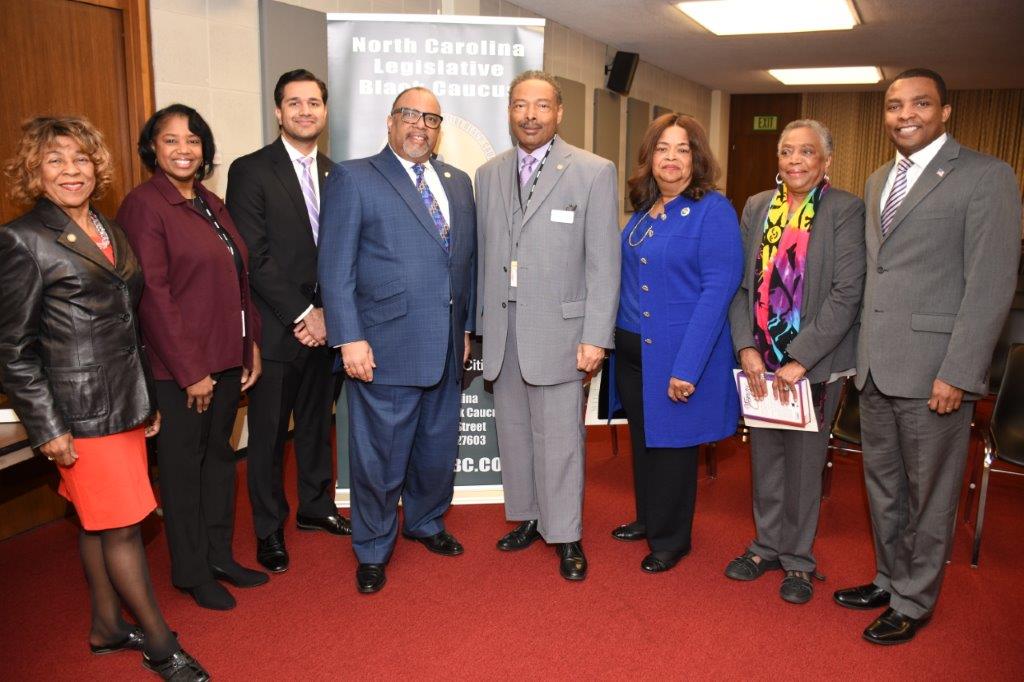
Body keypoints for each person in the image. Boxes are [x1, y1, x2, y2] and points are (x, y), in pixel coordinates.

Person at [0, 116, 208, 680]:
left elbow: (127, 321)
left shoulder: (107, 228)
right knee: (121, 526)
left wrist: (144, 403)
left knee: (97, 520)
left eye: (81, 159)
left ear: (98, 167)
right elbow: (14, 349)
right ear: (34, 173)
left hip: (122, 404)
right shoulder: (23, 239)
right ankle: (162, 645)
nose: (72, 171)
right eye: (55, 161)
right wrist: (48, 428)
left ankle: (108, 627)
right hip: (77, 413)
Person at [834, 69, 1021, 643]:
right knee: (883, 487)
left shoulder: (986, 177)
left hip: (936, 371)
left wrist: (959, 373)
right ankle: (890, 579)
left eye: (919, 103)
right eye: (894, 105)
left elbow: (990, 285)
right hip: (878, 366)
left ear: (945, 112)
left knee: (931, 494)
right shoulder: (875, 180)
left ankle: (915, 601)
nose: (905, 114)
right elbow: (880, 273)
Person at [319, 86, 476, 594]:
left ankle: (426, 521)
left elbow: (464, 264)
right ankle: (371, 548)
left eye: (431, 118)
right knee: (380, 457)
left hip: (448, 344)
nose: (420, 126)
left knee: (435, 448)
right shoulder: (355, 176)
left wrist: (468, 328)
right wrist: (349, 339)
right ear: (390, 122)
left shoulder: (457, 182)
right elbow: (335, 267)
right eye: (410, 114)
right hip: (384, 345)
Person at [118, 104, 265, 611]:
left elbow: (238, 280)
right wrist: (191, 372)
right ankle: (192, 571)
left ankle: (219, 556)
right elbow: (153, 296)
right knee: (183, 469)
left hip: (226, 360)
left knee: (220, 462)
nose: (184, 150)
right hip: (180, 371)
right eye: (171, 140)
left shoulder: (209, 201)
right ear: (152, 149)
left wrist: (250, 347)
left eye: (193, 140)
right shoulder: (145, 206)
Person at [475, 71, 620, 581]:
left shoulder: (593, 171)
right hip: (503, 331)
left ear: (559, 113)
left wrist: (596, 336)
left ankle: (566, 533)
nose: (530, 115)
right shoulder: (488, 173)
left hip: (561, 332)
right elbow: (484, 257)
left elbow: (605, 262)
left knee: (559, 438)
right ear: (510, 112)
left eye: (541, 106)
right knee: (513, 433)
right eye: (520, 105)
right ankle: (530, 518)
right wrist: (478, 326)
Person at [724, 119, 865, 602]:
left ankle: (799, 561)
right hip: (761, 361)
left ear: (825, 160)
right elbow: (738, 285)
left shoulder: (845, 209)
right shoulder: (758, 206)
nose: (795, 161)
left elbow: (847, 294)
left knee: (805, 466)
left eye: (806, 153)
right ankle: (765, 546)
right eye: (787, 152)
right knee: (764, 459)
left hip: (815, 366)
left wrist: (801, 358)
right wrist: (746, 347)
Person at [607, 113, 744, 573]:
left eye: (682, 149)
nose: (671, 158)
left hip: (676, 353)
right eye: (662, 148)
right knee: (646, 441)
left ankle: (671, 539)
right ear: (650, 157)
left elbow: (717, 293)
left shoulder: (714, 211)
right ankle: (649, 518)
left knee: (672, 447)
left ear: (697, 158)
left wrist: (687, 367)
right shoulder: (645, 209)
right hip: (631, 352)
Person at [227, 69, 350, 575]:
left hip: (329, 328)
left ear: (325, 111)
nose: (305, 111)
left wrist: (329, 316)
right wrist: (305, 314)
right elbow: (253, 255)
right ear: (278, 111)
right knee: (270, 435)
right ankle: (268, 527)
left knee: (319, 425)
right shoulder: (251, 170)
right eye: (294, 103)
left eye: (314, 102)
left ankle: (316, 506)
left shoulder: (336, 173)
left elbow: (342, 251)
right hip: (279, 330)